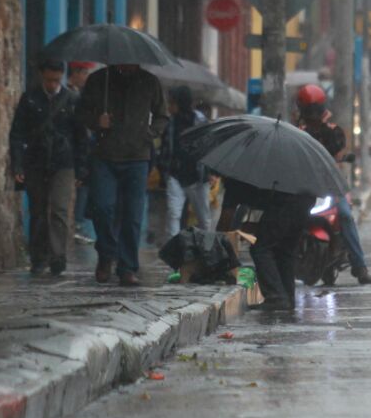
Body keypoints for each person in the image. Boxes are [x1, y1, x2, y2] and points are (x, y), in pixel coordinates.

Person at [76, 62, 168, 286]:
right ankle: (106, 254)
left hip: (137, 156)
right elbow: (80, 112)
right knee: (102, 207)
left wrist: (150, 132)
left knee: (133, 215)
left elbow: (162, 116)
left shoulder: (149, 82)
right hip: (104, 154)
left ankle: (127, 267)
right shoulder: (99, 80)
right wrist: (97, 121)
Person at [9, 58, 84, 275]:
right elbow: (17, 133)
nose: (52, 84)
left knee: (59, 210)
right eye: (49, 79)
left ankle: (58, 256)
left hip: (63, 162)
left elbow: (80, 136)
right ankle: (38, 257)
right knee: (38, 210)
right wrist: (18, 164)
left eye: (56, 80)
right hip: (35, 161)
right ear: (42, 75)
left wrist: (81, 168)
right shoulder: (30, 99)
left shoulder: (70, 100)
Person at [294, 84, 371, 284]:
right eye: (308, 110)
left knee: (345, 216)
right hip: (304, 185)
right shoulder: (296, 133)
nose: (312, 115)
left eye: (315, 110)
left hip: (332, 185)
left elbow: (339, 153)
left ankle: (359, 265)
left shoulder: (334, 131)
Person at [223, 178, 312, 308]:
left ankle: (276, 296)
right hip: (304, 201)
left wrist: (220, 240)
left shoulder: (235, 178)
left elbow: (226, 216)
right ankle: (287, 297)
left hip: (284, 204)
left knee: (260, 249)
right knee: (286, 250)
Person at [161, 85, 215, 237]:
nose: (169, 107)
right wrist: (165, 172)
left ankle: (207, 250)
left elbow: (209, 147)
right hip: (176, 175)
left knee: (204, 219)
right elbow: (166, 150)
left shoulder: (200, 122)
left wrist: (210, 171)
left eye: (172, 103)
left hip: (197, 178)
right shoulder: (170, 124)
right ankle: (174, 251)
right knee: (174, 214)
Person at [67, 61, 98, 242]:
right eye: (85, 73)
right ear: (76, 73)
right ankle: (77, 224)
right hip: (74, 149)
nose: (87, 77)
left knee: (84, 187)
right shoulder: (71, 95)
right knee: (81, 188)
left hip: (83, 149)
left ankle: (78, 223)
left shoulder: (81, 94)